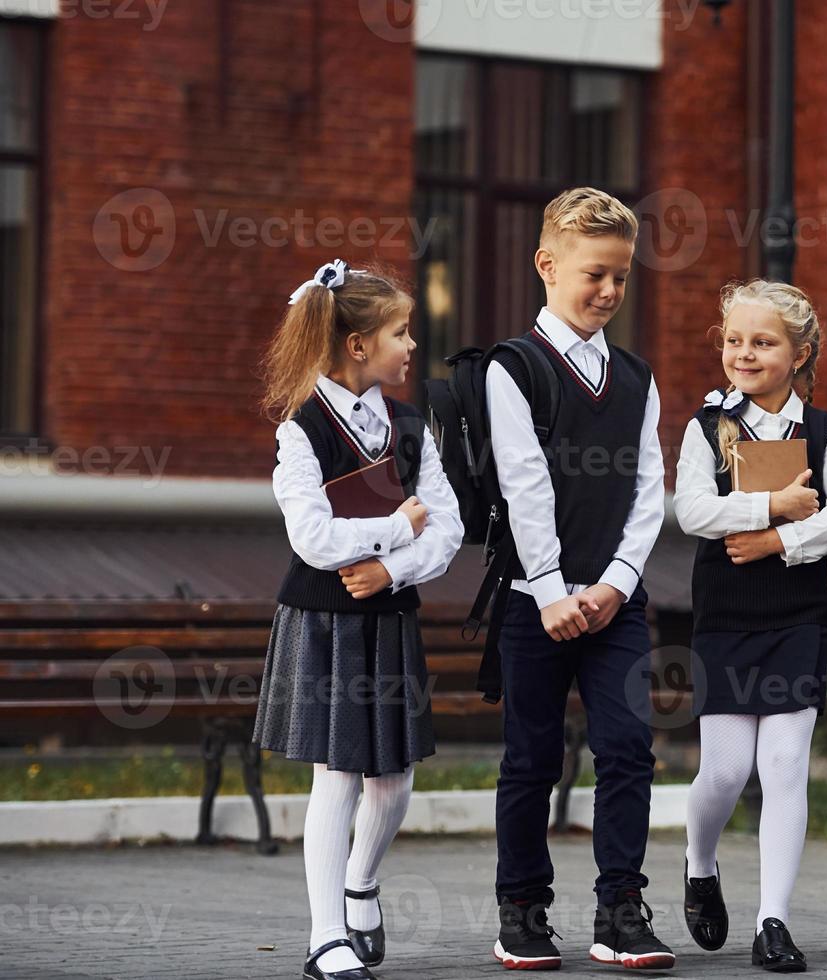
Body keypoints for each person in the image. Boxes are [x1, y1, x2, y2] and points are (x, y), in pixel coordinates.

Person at [254, 259, 464, 980]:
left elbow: (449, 526)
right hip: (325, 620)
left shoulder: (409, 424)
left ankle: (361, 883)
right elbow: (310, 539)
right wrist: (396, 530)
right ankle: (325, 939)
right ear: (356, 345)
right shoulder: (300, 430)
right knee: (338, 775)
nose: (412, 346)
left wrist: (390, 565)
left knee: (395, 781)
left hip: (388, 611)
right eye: (401, 333)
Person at [486, 187, 674, 970]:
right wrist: (556, 588)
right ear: (547, 265)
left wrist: (618, 581)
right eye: (594, 274)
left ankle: (620, 910)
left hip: (613, 602)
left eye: (621, 278)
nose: (608, 291)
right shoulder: (514, 369)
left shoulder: (636, 376)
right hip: (536, 602)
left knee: (628, 749)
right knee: (531, 757)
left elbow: (648, 488)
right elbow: (524, 486)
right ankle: (522, 912)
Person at [675, 279, 827, 972]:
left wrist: (782, 542)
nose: (744, 354)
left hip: (797, 618)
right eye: (734, 340)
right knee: (726, 772)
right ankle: (700, 864)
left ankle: (773, 923)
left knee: (785, 765)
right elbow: (693, 511)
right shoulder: (706, 427)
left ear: (799, 354)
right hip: (725, 618)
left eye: (762, 342)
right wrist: (771, 507)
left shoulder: (824, 431)